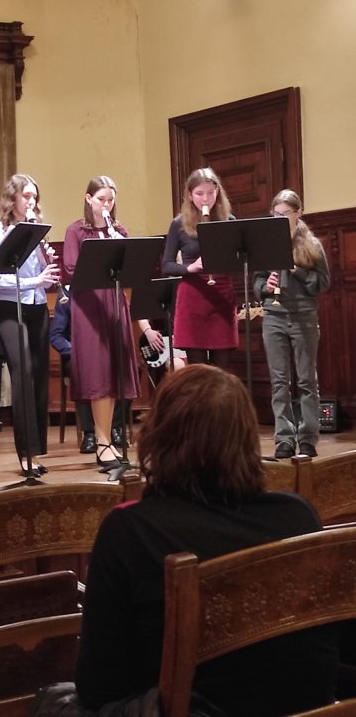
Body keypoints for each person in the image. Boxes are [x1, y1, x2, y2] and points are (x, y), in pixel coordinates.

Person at [75, 364, 339, 717]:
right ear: (247, 438)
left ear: (159, 438)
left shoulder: (130, 531)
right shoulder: (298, 515)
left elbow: (97, 686)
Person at [0, 174, 60, 476]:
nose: (31, 201)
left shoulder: (36, 232)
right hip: (9, 309)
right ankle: (25, 453)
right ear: (12, 198)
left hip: (37, 307)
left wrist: (46, 264)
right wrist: (35, 280)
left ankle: (37, 450)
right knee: (23, 373)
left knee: (39, 375)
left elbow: (44, 277)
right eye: (26, 196)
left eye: (34, 197)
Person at [63, 176, 140, 472]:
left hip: (114, 304)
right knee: (98, 375)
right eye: (101, 199)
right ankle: (102, 442)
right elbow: (71, 269)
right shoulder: (76, 231)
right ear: (88, 199)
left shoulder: (119, 230)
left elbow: (130, 268)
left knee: (112, 374)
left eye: (110, 200)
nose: (106, 205)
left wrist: (119, 244)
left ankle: (106, 441)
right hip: (89, 306)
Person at [254, 189, 330, 459]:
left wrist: (296, 269)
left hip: (303, 317)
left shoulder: (312, 245)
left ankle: (308, 437)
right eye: (276, 214)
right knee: (279, 381)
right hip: (274, 317)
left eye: (286, 213)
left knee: (307, 379)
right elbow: (257, 282)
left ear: (299, 213)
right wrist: (266, 286)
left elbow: (322, 283)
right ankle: (284, 438)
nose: (280, 218)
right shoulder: (266, 244)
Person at [162, 167, 238, 369]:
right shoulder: (178, 224)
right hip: (193, 297)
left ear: (217, 192)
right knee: (198, 369)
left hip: (222, 295)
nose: (205, 199)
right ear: (190, 195)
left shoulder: (229, 221)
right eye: (199, 193)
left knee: (221, 368)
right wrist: (190, 267)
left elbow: (238, 257)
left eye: (211, 193)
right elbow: (167, 265)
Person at [49, 289, 129, 454]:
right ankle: (89, 432)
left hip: (106, 352)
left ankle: (114, 427)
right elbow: (56, 335)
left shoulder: (108, 293)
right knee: (84, 371)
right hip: (79, 354)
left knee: (124, 368)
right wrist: (77, 351)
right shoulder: (67, 295)